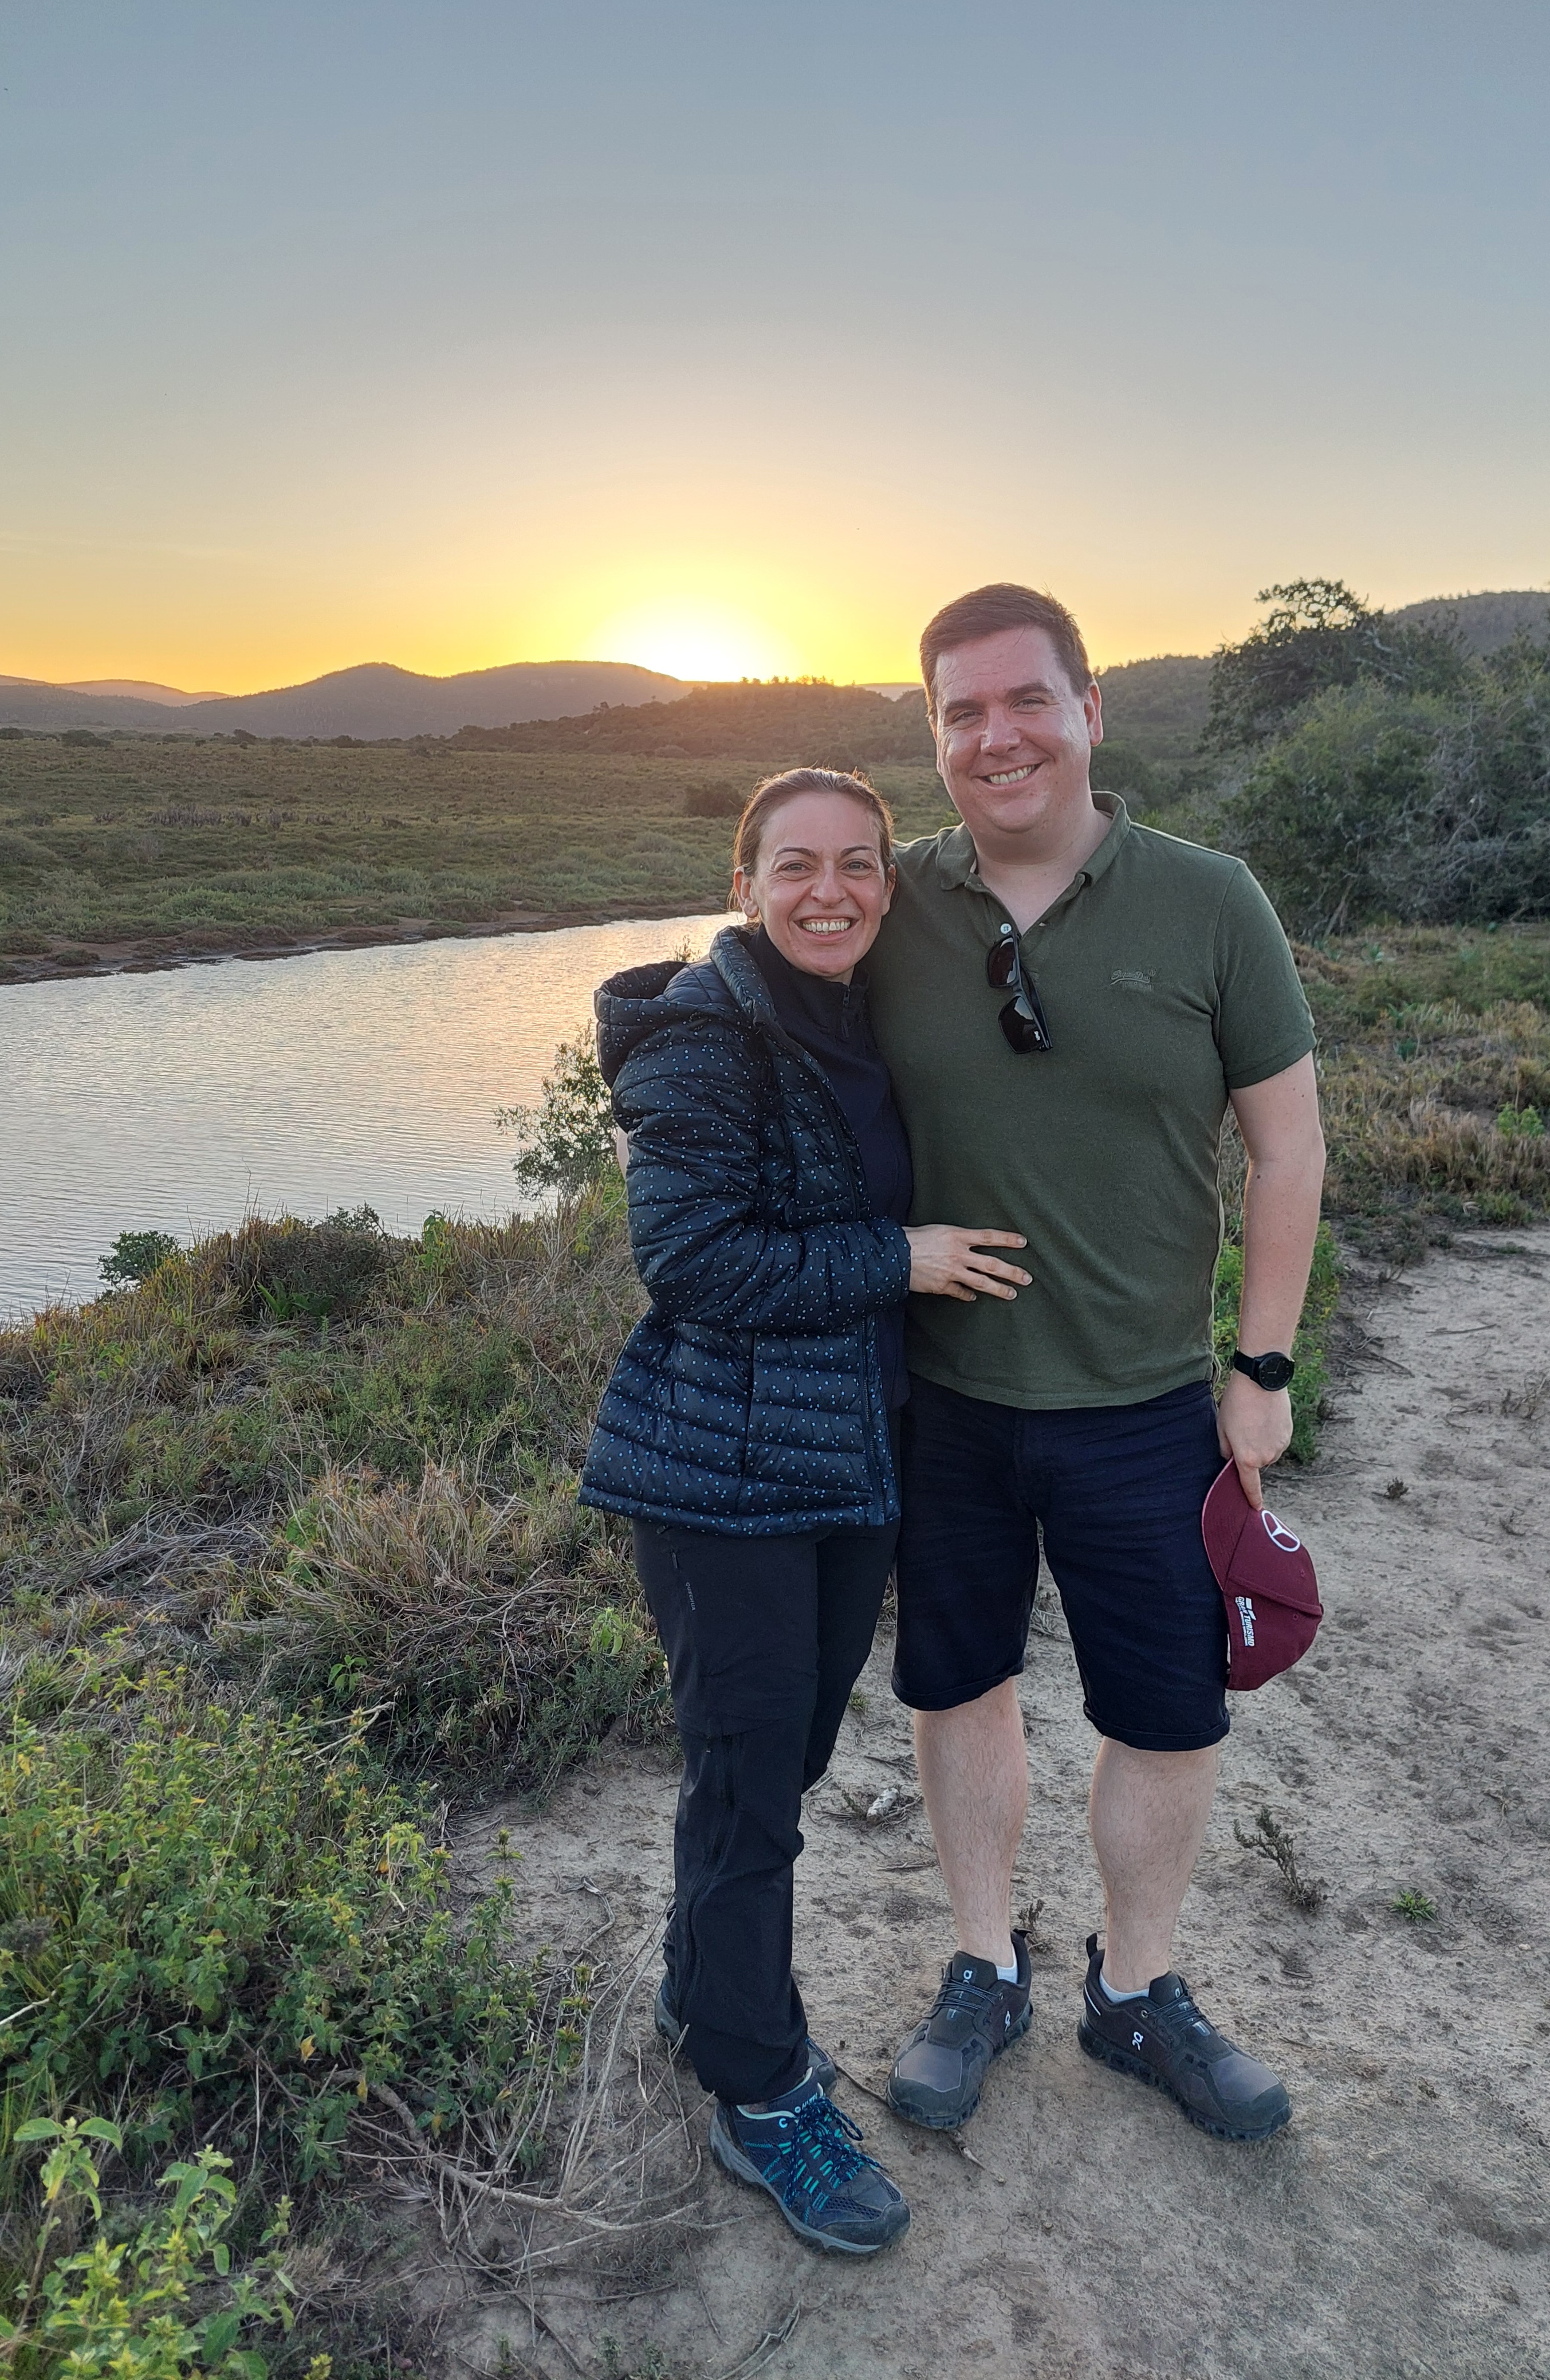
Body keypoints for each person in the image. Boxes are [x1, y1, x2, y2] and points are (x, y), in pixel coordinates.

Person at [863, 583, 1326, 2145]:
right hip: (943, 1399)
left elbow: (1286, 1149)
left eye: (1026, 701)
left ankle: (1134, 1992)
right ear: (934, 736)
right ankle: (982, 1967)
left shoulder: (1211, 902)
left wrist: (1261, 1366)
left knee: (1169, 1713)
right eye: (961, 713)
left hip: (1146, 1404)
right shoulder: (894, 907)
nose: (996, 737)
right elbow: (770, 990)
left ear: (1088, 711)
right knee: (958, 1687)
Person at [579, 766, 1030, 2256]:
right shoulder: (704, 1036)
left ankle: (701, 1995)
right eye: (794, 866)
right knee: (749, 1784)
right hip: (723, 1479)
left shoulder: (862, 1018)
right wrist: (899, 1259)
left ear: (887, 885)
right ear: (745, 883)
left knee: (773, 1765)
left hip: (844, 1461)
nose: (826, 891)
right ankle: (759, 2087)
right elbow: (693, 1262)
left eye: (855, 864)